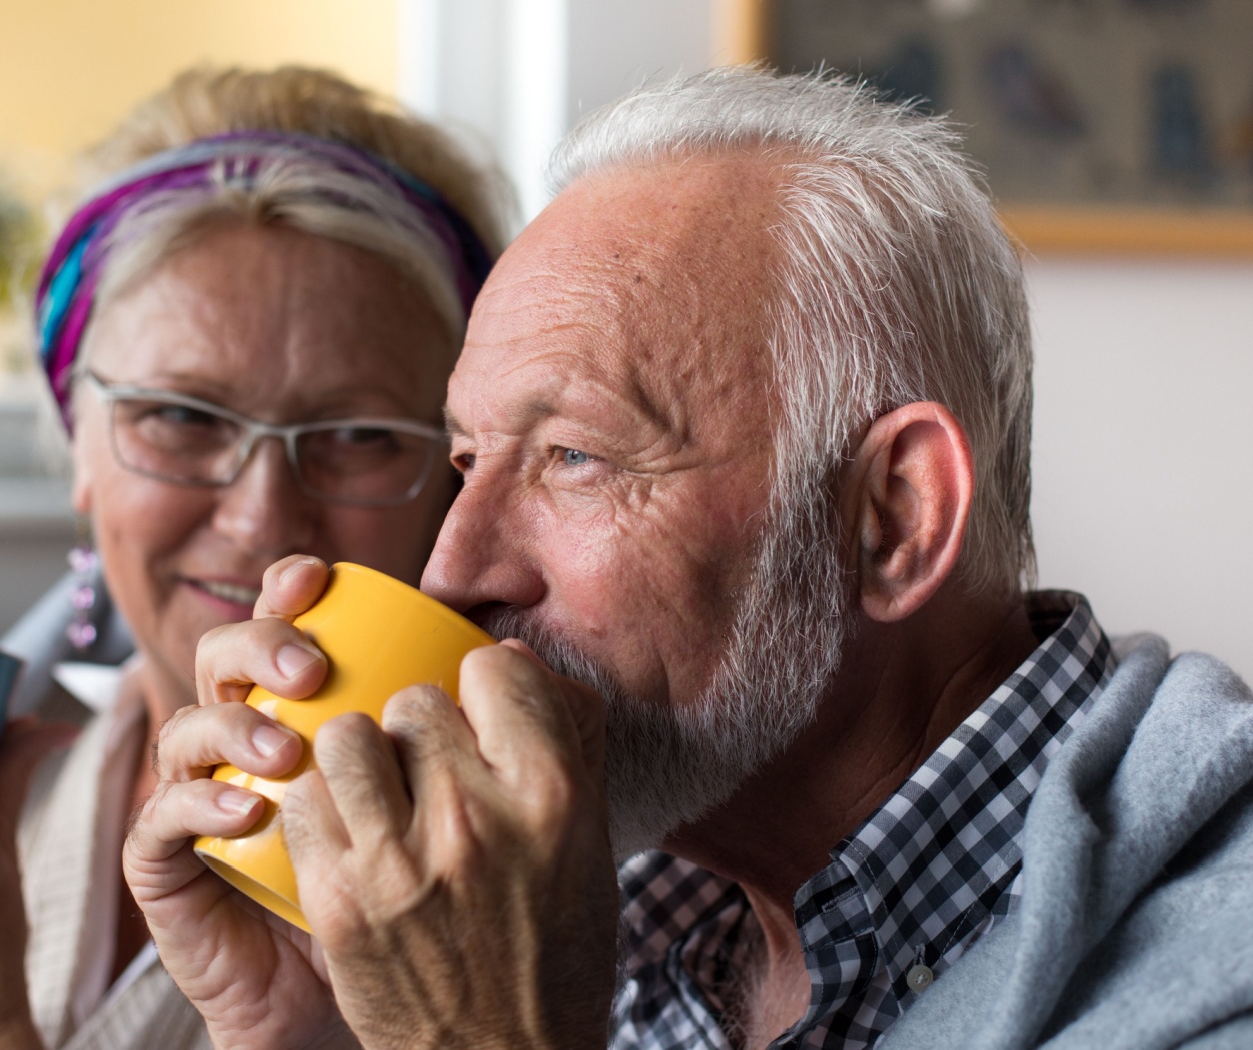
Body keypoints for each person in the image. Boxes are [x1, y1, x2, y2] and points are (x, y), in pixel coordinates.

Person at [126, 67, 1253, 1050]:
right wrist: (333, 1039)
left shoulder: (1213, 963)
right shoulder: (648, 911)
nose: (453, 573)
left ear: (893, 519)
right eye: (469, 462)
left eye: (574, 456)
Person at [0, 66, 508, 1049]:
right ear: (74, 444)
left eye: (359, 434)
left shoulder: (495, 890)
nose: (261, 519)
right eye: (178, 416)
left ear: (454, 470)